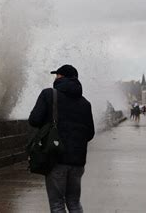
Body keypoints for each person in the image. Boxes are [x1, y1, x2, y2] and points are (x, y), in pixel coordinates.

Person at [28, 64, 95, 213]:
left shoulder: (49, 94)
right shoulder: (85, 103)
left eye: (57, 75)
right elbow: (90, 133)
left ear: (61, 77)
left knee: (57, 204)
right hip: (78, 162)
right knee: (74, 202)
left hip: (56, 158)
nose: (55, 78)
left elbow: (34, 120)